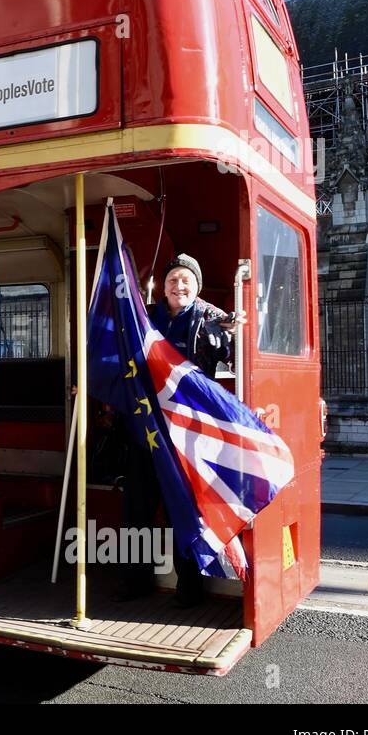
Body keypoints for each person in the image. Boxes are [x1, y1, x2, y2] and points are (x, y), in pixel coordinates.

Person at [117, 253, 246, 607]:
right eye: (173, 279)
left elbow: (237, 361)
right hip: (146, 428)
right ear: (163, 286)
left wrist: (238, 336)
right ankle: (134, 581)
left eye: (186, 280)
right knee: (137, 509)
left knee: (183, 510)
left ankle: (189, 588)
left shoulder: (212, 319)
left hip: (188, 435)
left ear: (197, 286)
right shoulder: (147, 317)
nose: (179, 286)